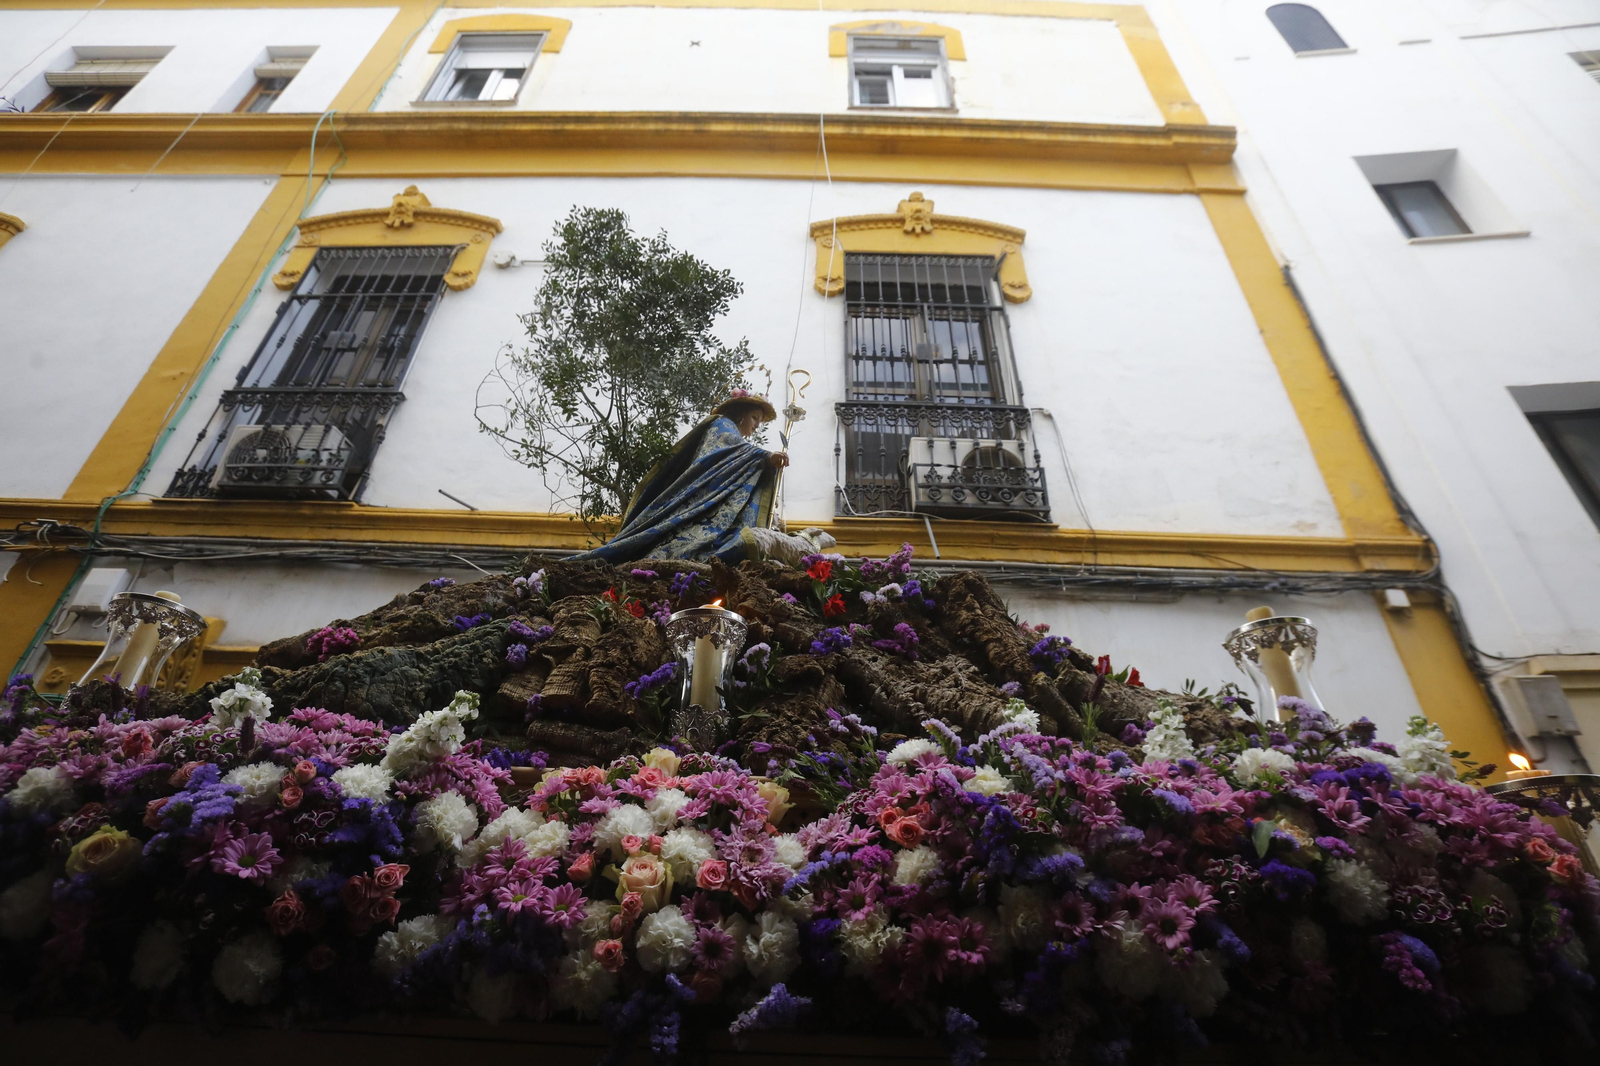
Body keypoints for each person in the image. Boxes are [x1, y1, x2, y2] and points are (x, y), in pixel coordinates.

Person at [571, 390, 834, 564]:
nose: (755, 426)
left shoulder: (736, 441)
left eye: (760, 422)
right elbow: (729, 450)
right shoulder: (722, 425)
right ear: (741, 412)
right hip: (703, 494)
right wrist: (765, 458)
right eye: (754, 418)